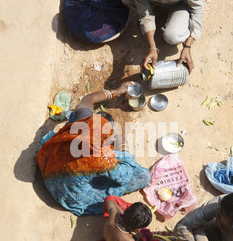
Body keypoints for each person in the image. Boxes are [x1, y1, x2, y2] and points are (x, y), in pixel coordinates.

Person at [35, 83, 151, 216]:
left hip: (48, 166)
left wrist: (117, 90)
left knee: (76, 116)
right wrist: (121, 147)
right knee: (144, 176)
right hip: (68, 194)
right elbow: (124, 176)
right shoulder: (101, 160)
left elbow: (88, 99)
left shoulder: (78, 128)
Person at [117, 0, 204, 73]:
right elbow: (145, 15)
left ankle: (177, 16)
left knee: (172, 36)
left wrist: (187, 46)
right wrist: (152, 48)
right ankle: (160, 11)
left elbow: (197, 8)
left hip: (184, 1)